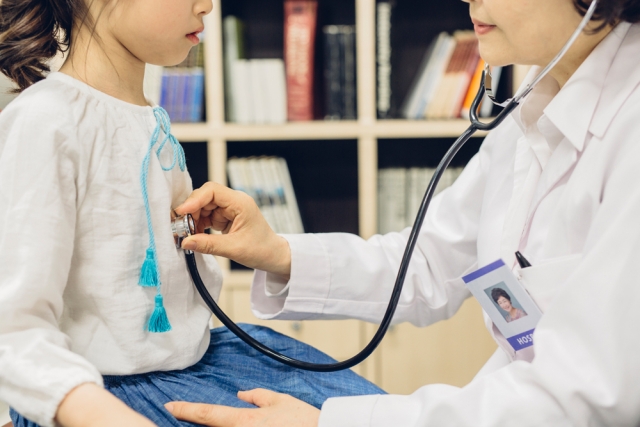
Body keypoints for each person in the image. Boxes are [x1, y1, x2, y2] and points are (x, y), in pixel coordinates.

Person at [161, 0, 640, 425]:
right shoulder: (535, 107)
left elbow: (582, 397)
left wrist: (329, 424)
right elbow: (426, 263)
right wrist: (278, 253)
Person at [0, 0, 384, 426]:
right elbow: (12, 329)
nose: (207, 6)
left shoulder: (147, 115)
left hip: (194, 364)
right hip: (103, 399)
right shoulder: (45, 120)